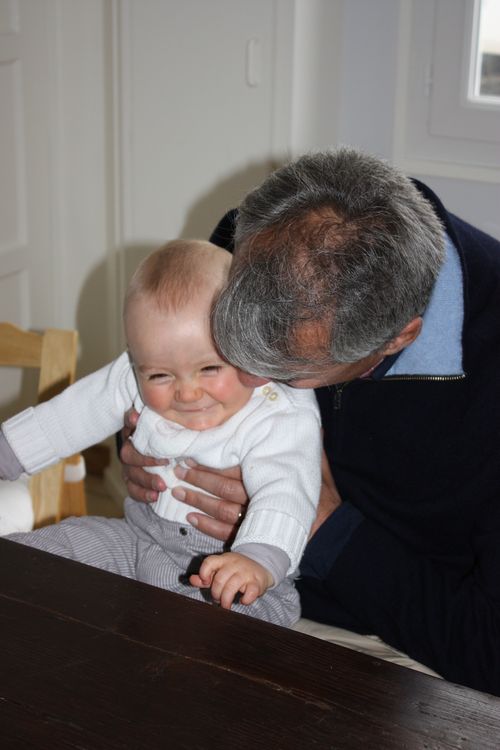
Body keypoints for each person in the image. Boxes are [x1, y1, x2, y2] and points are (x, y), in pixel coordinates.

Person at [120, 148, 500, 696]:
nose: (241, 384)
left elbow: (489, 651)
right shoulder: (259, 238)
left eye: (284, 373)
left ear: (398, 338)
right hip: (201, 574)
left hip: (391, 654)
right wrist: (140, 446)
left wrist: (323, 529)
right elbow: (157, 374)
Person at [0, 240, 322, 626]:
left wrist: (257, 558)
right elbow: (70, 415)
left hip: (229, 573)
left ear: (248, 340)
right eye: (160, 376)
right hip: (140, 541)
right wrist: (8, 450)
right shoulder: (135, 373)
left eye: (208, 369)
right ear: (136, 362)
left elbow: (286, 492)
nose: (187, 393)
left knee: (211, 633)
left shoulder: (278, 413)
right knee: (43, 553)